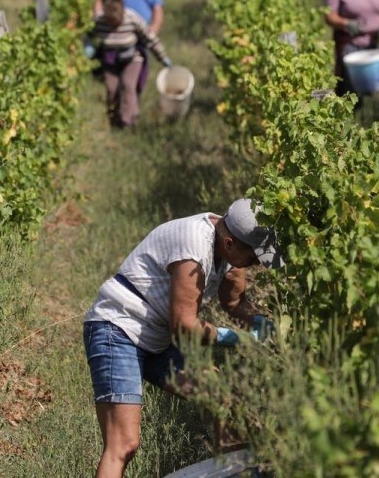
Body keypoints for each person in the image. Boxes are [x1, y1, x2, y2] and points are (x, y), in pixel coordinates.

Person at [83, 198, 282, 478]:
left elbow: (235, 302)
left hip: (157, 337)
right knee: (124, 444)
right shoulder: (193, 246)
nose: (255, 265)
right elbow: (184, 326)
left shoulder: (229, 249)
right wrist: (236, 339)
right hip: (118, 328)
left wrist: (267, 325)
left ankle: (236, 473)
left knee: (223, 397)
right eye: (253, 258)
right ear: (230, 244)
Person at [85, 0, 172, 128]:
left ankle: (130, 122)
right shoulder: (100, 21)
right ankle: (114, 122)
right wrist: (88, 47)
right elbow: (88, 35)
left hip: (132, 59)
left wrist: (162, 57)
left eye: (115, 22)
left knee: (128, 85)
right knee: (111, 89)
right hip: (111, 60)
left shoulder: (132, 19)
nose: (113, 26)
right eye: (110, 23)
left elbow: (150, 38)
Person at [94, 0, 164, 97]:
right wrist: (99, 17)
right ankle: (117, 108)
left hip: (138, 36)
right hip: (115, 34)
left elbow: (157, 9)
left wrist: (153, 28)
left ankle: (129, 109)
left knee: (132, 81)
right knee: (112, 79)